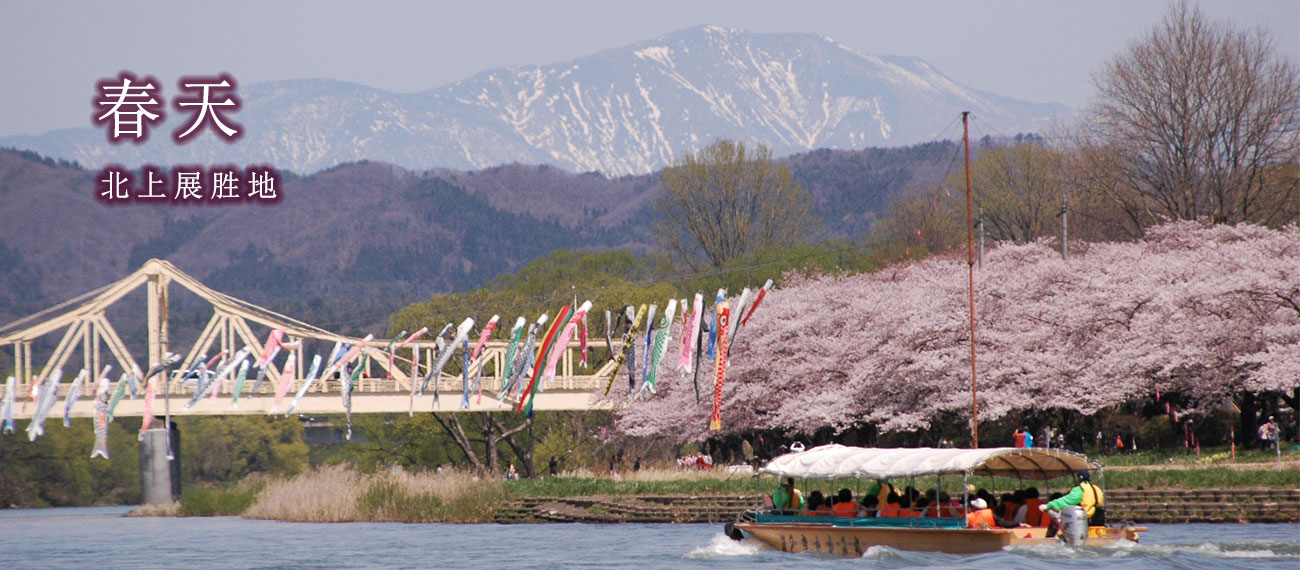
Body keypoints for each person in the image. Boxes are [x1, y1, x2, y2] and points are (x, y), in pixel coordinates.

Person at [1041, 470, 1106, 525]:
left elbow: (1066, 501)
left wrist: (1049, 505)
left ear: (1079, 479)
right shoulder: (1097, 489)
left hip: (1084, 520)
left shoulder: (1081, 489)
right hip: (1099, 520)